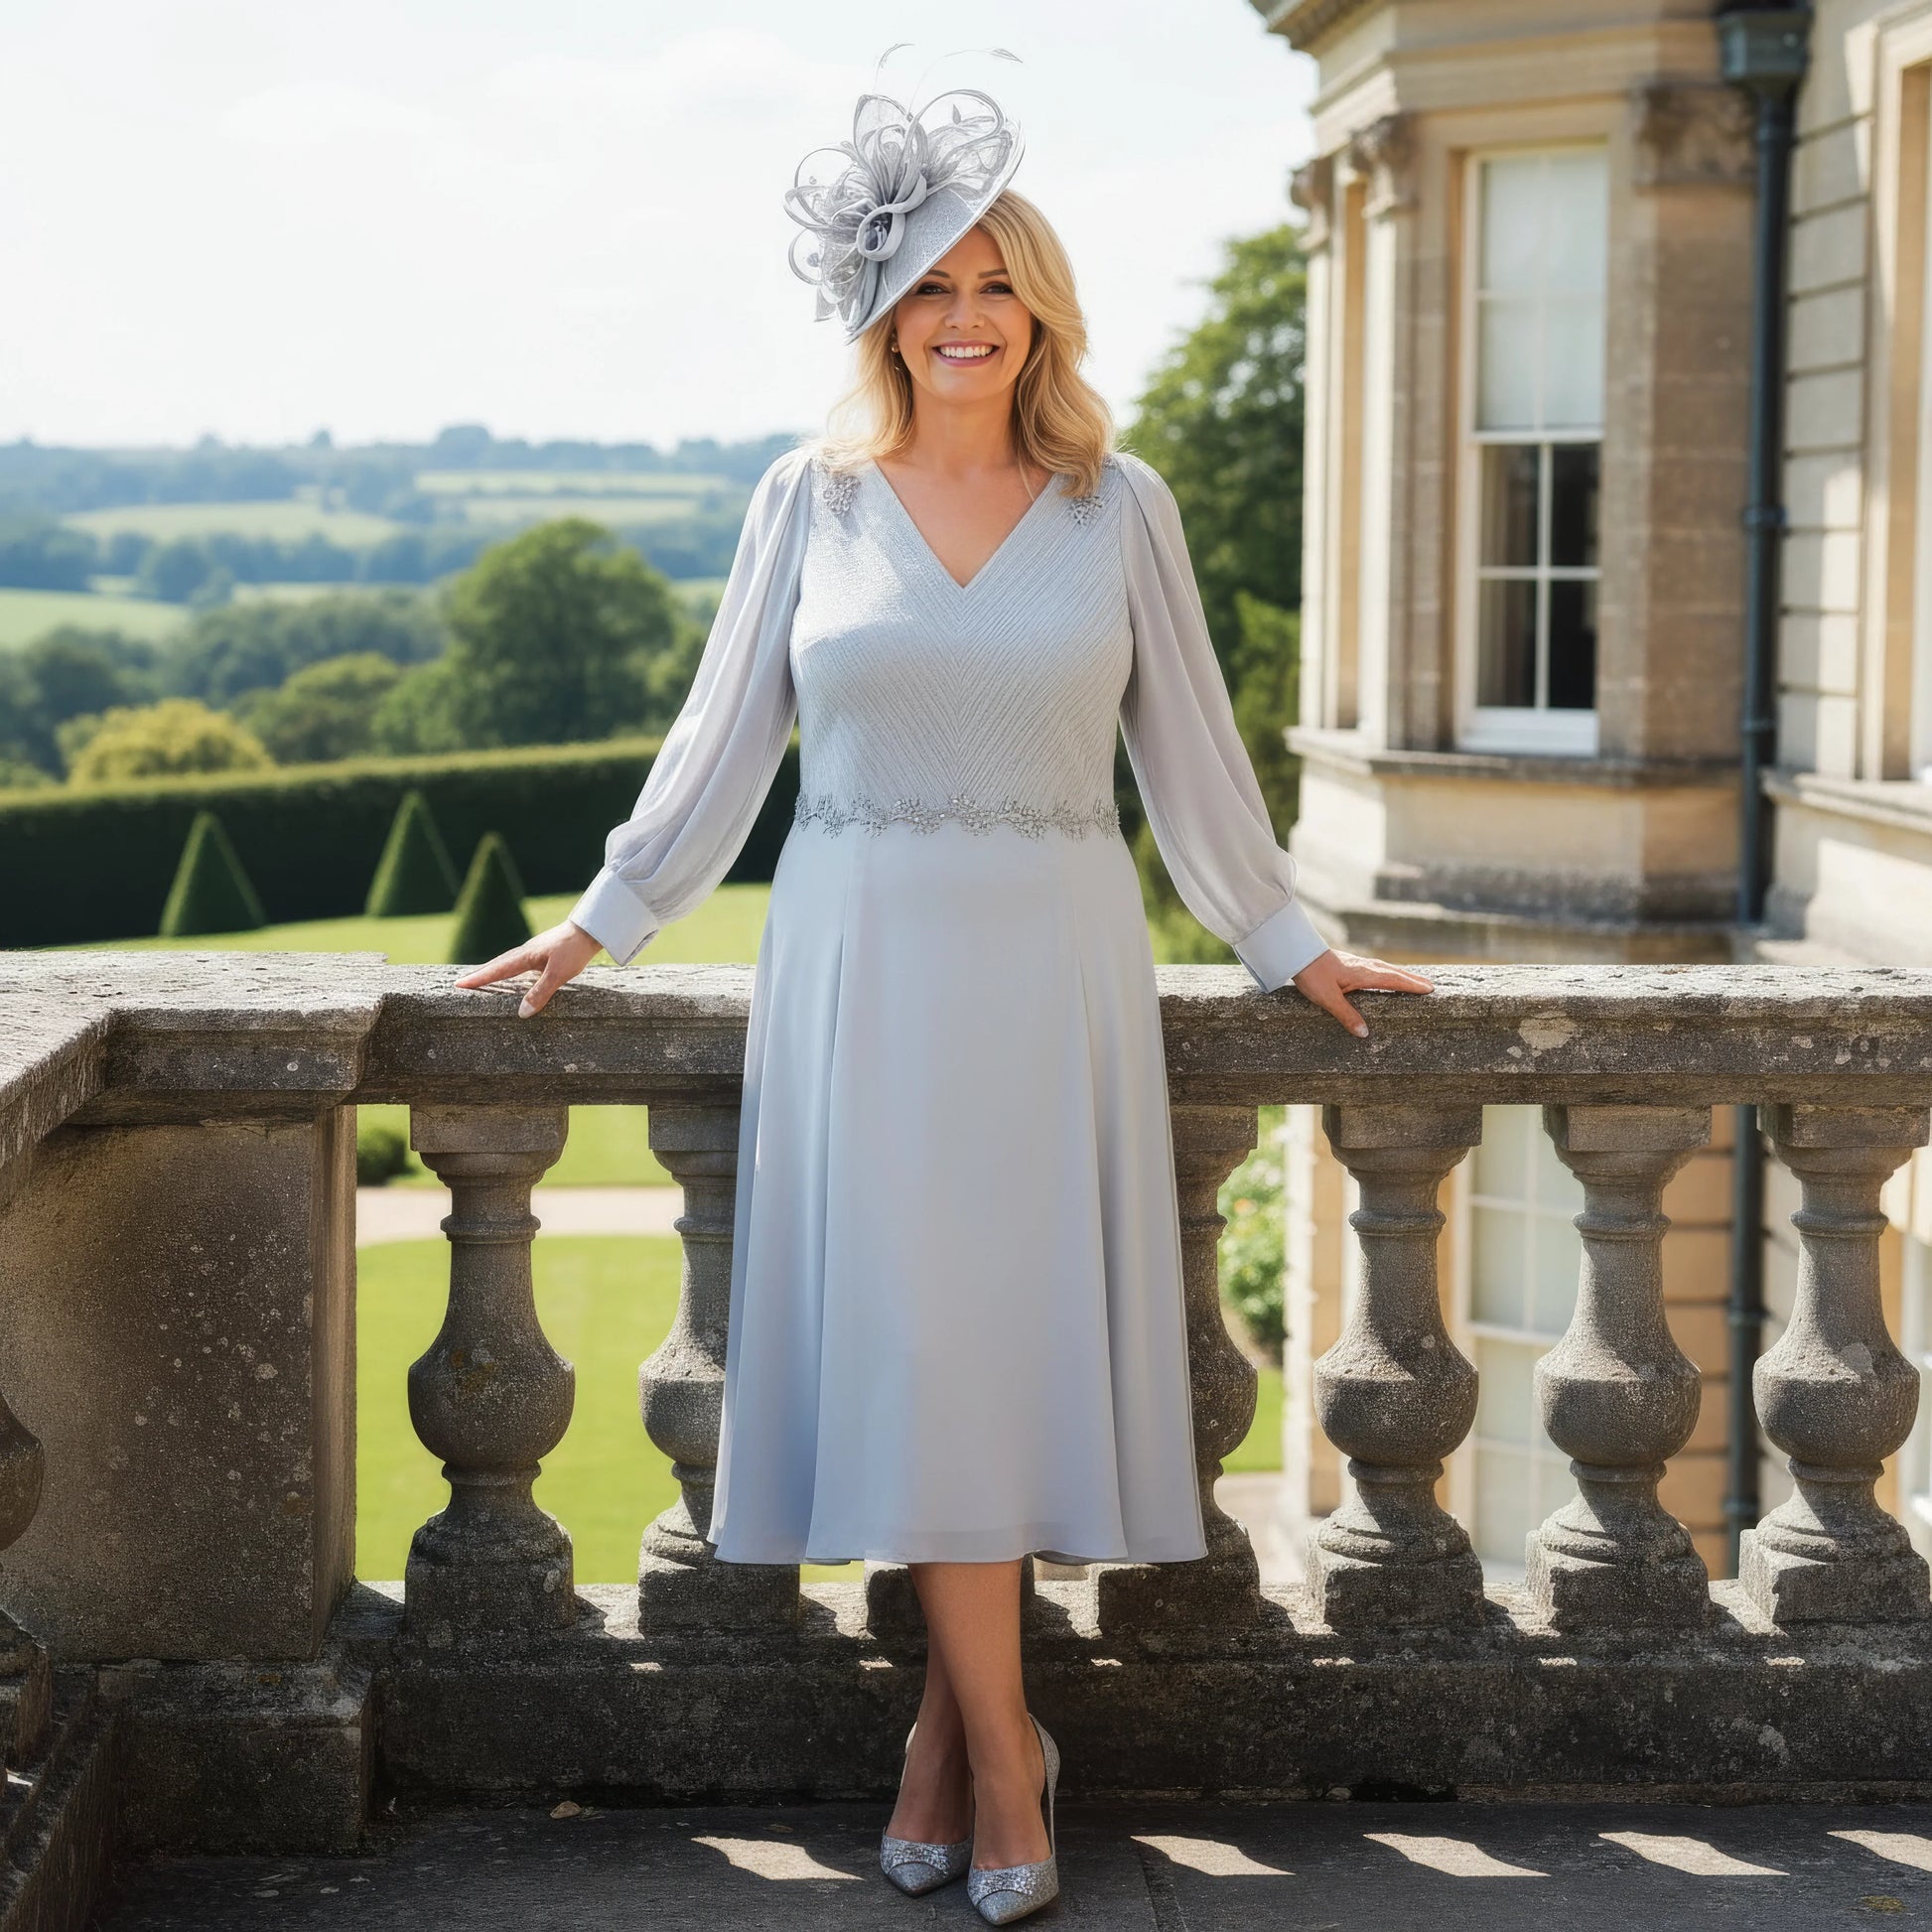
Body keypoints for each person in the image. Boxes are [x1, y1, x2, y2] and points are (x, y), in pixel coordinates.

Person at [456, 51, 1433, 1925]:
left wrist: (1288, 940)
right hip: (862, 977)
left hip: (1051, 978)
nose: (965, 316)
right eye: (931, 284)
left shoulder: (1114, 502)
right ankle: (997, 1753)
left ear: (1040, 307)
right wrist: (606, 914)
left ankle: (963, 1743)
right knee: (915, 1363)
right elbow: (720, 740)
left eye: (996, 282)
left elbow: (1196, 767)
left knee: (988, 1368)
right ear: (882, 311)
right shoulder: (802, 501)